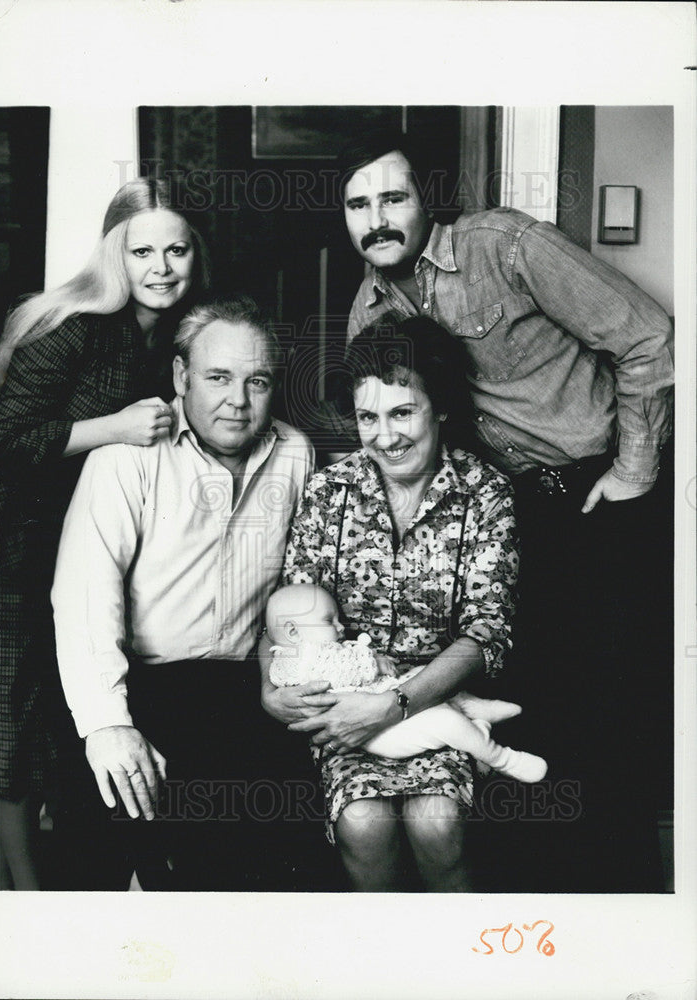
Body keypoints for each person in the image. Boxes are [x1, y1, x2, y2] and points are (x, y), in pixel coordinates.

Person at [338, 130, 675, 891]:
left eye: (393, 197)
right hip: (513, 522)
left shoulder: (507, 247)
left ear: (427, 199)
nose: (377, 218)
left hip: (601, 498)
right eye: (359, 205)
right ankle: (541, 923)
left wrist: (633, 472)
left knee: (613, 724)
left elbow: (651, 337)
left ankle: (626, 929)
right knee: (532, 721)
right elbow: (395, 440)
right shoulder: (367, 313)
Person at [51, 297, 316, 891]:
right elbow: (84, 597)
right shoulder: (125, 456)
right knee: (98, 842)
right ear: (180, 377)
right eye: (218, 378)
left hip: (242, 691)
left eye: (257, 381)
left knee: (265, 866)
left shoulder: (296, 453)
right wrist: (107, 724)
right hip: (138, 683)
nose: (237, 401)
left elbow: (296, 592)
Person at [0, 176, 210, 889]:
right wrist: (110, 428)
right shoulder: (74, 326)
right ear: (113, 253)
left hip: (90, 546)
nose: (160, 267)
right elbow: (2, 442)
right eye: (141, 250)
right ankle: (20, 897)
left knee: (70, 713)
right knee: (17, 722)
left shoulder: (171, 336)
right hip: (19, 545)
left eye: (176, 249)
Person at [260, 315, 519, 891]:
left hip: (440, 704)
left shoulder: (484, 494)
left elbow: (485, 632)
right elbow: (286, 609)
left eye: (403, 412)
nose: (385, 436)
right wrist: (269, 688)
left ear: (441, 408)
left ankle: (448, 969)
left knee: (436, 821)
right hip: (344, 706)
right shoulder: (331, 491)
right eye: (368, 417)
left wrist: (398, 704)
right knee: (363, 822)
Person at [266, 583, 546, 780]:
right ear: (292, 631)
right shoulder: (302, 657)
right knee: (444, 723)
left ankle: (474, 710)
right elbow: (344, 673)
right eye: (329, 620)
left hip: (383, 697)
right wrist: (372, 661)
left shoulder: (304, 651)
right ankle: (501, 758)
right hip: (372, 732)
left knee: (424, 676)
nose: (341, 627)